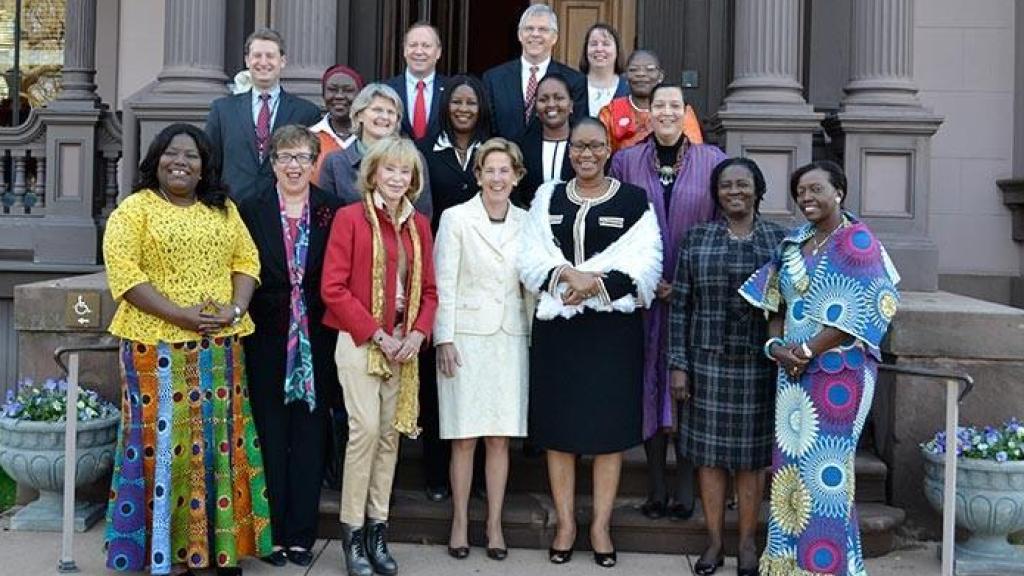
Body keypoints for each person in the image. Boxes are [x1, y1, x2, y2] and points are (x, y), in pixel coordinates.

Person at [103, 123, 269, 576]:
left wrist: (235, 310)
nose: (181, 162)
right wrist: (182, 316)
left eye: (191, 156)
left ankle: (217, 551)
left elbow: (247, 262)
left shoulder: (223, 209)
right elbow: (125, 276)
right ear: (156, 161)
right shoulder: (134, 210)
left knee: (218, 444)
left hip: (219, 349)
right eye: (171, 154)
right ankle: (167, 552)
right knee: (165, 446)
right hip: (153, 349)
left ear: (204, 167)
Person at [739, 160, 901, 576]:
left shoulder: (859, 242)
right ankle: (789, 566)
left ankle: (826, 568)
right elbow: (773, 300)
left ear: (839, 192)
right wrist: (777, 347)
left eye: (815, 189)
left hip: (839, 374)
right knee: (792, 472)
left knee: (827, 475)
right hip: (792, 375)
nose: (807, 198)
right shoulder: (794, 243)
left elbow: (865, 310)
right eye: (800, 192)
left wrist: (807, 350)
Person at [519, 118, 662, 568]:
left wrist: (595, 285)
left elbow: (647, 263)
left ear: (608, 150)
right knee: (560, 433)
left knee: (607, 435)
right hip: (559, 330)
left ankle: (600, 525)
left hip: (611, 334)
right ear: (569, 151)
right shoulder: (548, 197)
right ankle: (565, 523)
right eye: (578, 146)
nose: (586, 154)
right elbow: (530, 254)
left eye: (595, 146)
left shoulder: (634, 200)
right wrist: (566, 275)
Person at [609, 81, 727, 523]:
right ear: (647, 113)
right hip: (642, 299)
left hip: (692, 299)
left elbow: (719, 227)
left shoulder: (711, 161)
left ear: (686, 111)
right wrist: (643, 279)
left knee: (687, 393)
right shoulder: (625, 161)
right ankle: (655, 488)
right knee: (648, 388)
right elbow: (615, 224)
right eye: (659, 105)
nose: (666, 112)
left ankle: (685, 490)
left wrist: (686, 284)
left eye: (674, 105)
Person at [321, 137, 439, 576]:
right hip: (358, 341)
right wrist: (376, 334)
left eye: (404, 172)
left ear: (414, 179)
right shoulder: (351, 219)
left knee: (390, 437)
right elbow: (332, 289)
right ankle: (351, 534)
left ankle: (377, 531)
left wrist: (419, 333)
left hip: (403, 347)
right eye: (388, 169)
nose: (396, 178)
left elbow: (428, 291)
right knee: (365, 431)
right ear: (373, 173)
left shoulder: (419, 226)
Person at [668, 158, 786, 576]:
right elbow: (680, 306)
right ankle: (715, 542)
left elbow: (789, 306)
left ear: (757, 189)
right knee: (709, 458)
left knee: (752, 460)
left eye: (742, 184)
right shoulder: (697, 237)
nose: (734, 191)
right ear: (715, 194)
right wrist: (678, 366)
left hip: (758, 366)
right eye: (725, 186)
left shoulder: (780, 241)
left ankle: (749, 543)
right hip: (707, 364)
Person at [238, 125, 343, 568]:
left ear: (314, 160)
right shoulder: (250, 208)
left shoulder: (332, 211)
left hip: (319, 338)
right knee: (270, 434)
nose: (294, 165)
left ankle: (302, 534)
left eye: (302, 156)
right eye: (286, 157)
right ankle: (274, 534)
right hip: (266, 337)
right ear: (273, 162)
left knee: (309, 438)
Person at [434, 138, 529, 561]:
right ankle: (458, 521)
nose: (496, 178)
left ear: (517, 176)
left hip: (511, 338)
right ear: (477, 175)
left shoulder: (529, 222)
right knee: (464, 437)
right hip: (466, 339)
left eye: (504, 170)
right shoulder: (455, 219)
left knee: (499, 438)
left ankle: (493, 523)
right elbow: (443, 282)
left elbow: (532, 283)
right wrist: (444, 338)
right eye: (488, 170)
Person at [416, 74, 493, 502]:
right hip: (438, 269)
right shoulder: (427, 153)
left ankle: (479, 477)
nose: (464, 109)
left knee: (477, 376)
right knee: (437, 377)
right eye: (457, 102)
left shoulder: (493, 151)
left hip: (483, 277)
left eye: (472, 103)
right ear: (447, 107)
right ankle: (435, 474)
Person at [206, 28, 321, 202]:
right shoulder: (222, 110)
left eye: (270, 56)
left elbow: (312, 166)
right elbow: (210, 163)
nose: (263, 62)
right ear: (247, 60)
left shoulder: (306, 112)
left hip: (283, 210)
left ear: (282, 61)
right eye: (257, 55)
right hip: (233, 210)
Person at [320, 83, 433, 217]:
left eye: (391, 112)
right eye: (377, 110)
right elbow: (327, 217)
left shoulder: (414, 159)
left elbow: (423, 215)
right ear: (359, 115)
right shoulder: (335, 162)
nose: (384, 117)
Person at [483, 4, 586, 142]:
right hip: (505, 159)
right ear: (520, 35)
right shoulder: (493, 79)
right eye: (529, 29)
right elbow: (487, 128)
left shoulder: (574, 81)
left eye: (543, 29)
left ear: (554, 37)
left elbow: (577, 129)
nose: (535, 34)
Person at [598, 51, 703, 153]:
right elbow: (600, 151)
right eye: (634, 70)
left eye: (650, 69)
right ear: (625, 76)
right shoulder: (611, 111)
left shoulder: (679, 109)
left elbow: (695, 152)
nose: (641, 74)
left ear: (660, 76)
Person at [514, 73, 576, 209]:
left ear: (571, 105)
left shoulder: (583, 145)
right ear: (535, 107)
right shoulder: (521, 147)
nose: (551, 104)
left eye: (559, 98)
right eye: (543, 99)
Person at [385, 22, 448, 142]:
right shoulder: (387, 89)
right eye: (413, 45)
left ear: (438, 52)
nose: (419, 51)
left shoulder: (451, 90)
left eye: (426, 46)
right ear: (404, 50)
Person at [311, 65, 364, 185]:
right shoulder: (309, 138)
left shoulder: (372, 138)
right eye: (332, 89)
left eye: (348, 90)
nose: (339, 96)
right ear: (323, 94)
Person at [578, 23, 628, 117]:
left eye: (606, 44)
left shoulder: (628, 88)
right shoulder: (574, 86)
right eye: (593, 44)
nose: (599, 49)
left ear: (617, 50)